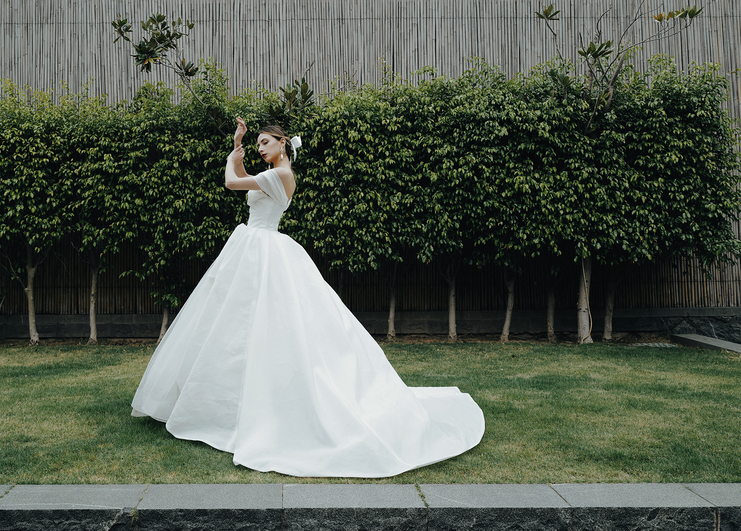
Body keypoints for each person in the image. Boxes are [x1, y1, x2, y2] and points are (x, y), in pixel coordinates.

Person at [131, 117, 485, 478]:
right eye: (258, 144)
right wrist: (237, 145)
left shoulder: (281, 174)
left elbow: (232, 182)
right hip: (253, 246)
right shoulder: (272, 174)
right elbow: (244, 177)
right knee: (237, 324)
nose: (260, 148)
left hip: (262, 246)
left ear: (282, 144)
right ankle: (224, 403)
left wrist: (230, 161)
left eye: (265, 142)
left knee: (263, 322)